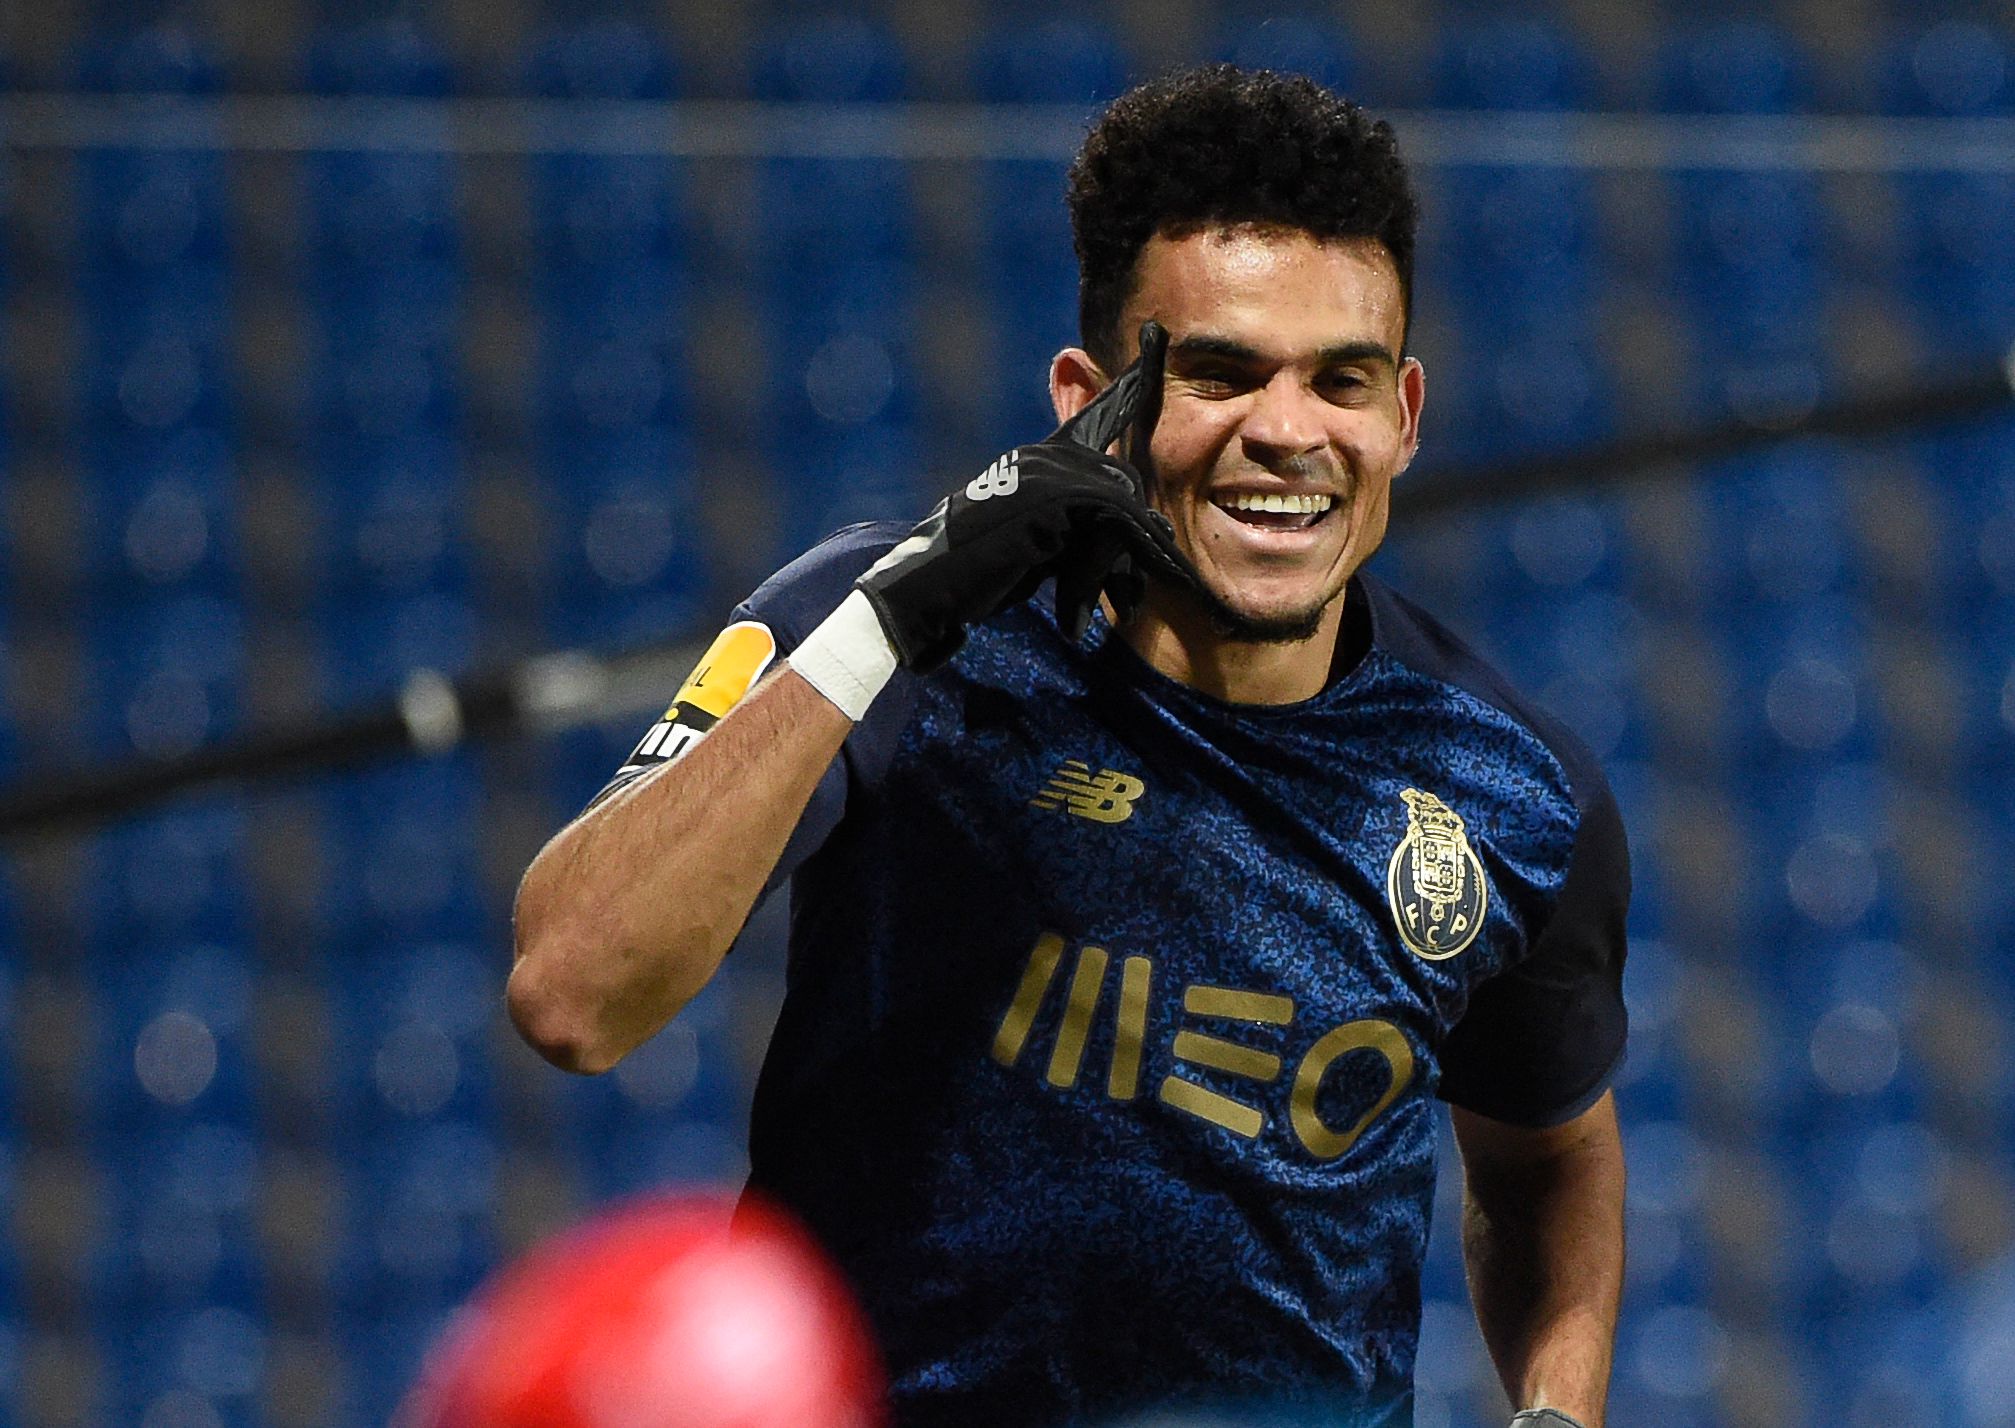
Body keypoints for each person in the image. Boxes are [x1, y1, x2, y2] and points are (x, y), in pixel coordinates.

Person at [509, 64, 1628, 1428]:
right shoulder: (884, 635)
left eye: (1339, 381)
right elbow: (572, 993)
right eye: (1218, 372)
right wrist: (888, 623)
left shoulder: (1513, 790)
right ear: (1090, 398)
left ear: (1403, 416)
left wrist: (1559, 1415)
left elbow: (1550, 1160)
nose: (1286, 433)